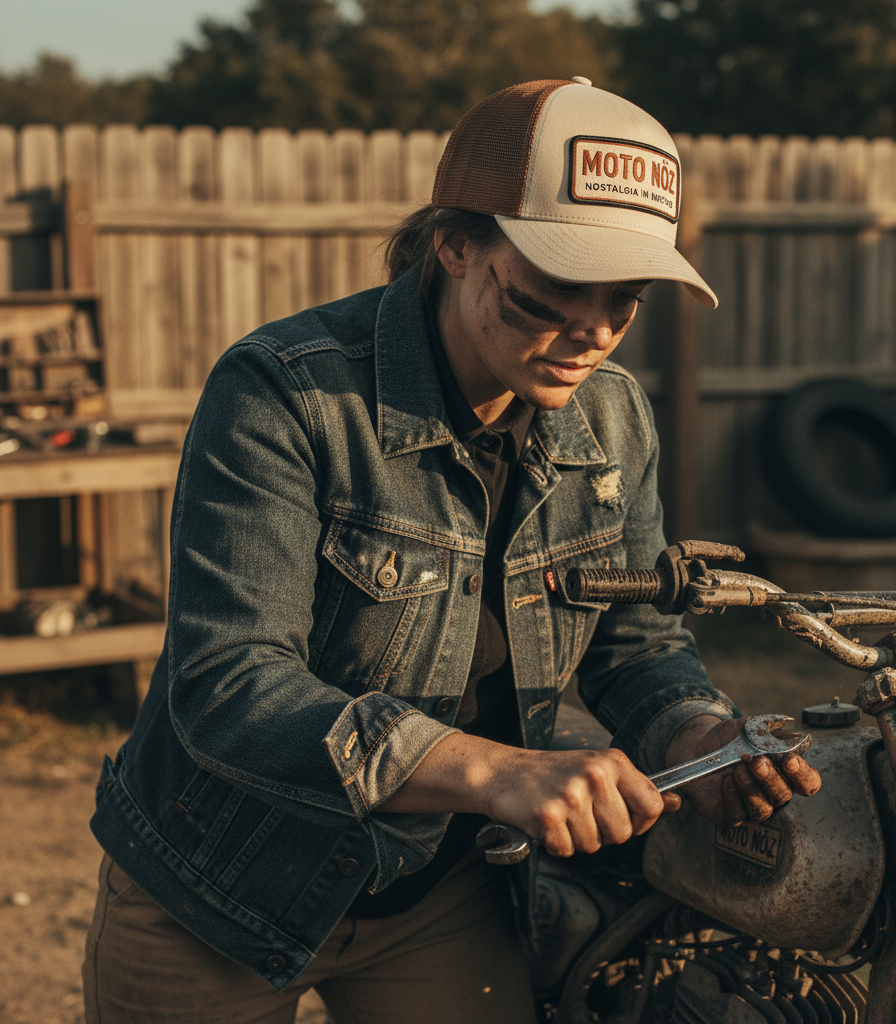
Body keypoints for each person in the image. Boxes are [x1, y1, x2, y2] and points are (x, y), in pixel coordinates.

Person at [82, 78, 820, 1024]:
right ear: (457, 243)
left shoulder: (615, 419)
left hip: (441, 894)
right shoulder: (283, 396)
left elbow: (633, 643)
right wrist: (498, 772)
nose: (595, 330)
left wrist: (701, 740)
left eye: (625, 298)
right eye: (561, 285)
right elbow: (229, 685)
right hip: (217, 888)